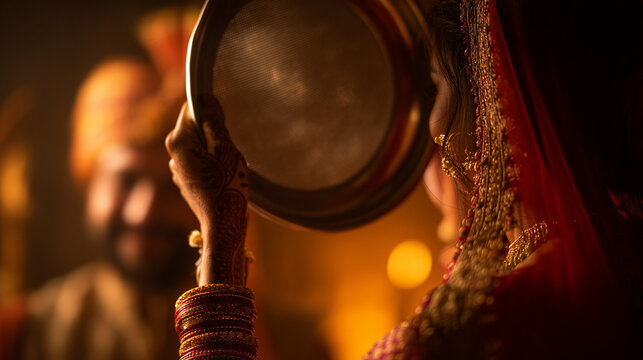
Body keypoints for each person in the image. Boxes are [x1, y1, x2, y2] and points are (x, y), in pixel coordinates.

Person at [166, 0, 641, 358]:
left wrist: (220, 243)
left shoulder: (466, 331)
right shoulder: (625, 264)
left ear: (493, 109)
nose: (431, 126)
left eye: (435, 85)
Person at [0, 6, 202, 360]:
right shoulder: (18, 335)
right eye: (126, 181)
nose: (146, 212)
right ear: (88, 182)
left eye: (174, 185)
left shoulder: (287, 343)